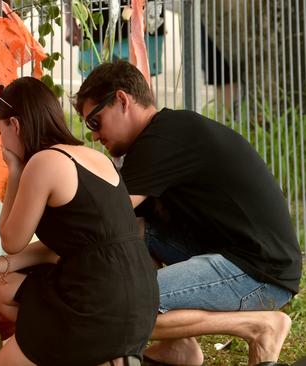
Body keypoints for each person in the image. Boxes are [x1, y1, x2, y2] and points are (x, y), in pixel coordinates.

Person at [74, 60, 302, 366]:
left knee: (122, 305)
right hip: (240, 254)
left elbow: (99, 220)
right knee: (140, 231)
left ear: (122, 100)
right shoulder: (167, 132)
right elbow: (123, 228)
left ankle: (262, 326)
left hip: (260, 273)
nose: (94, 136)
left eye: (94, 122)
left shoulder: (160, 141)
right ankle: (177, 348)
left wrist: (17, 261)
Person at [0, 77, 159, 366]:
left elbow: (11, 240)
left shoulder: (44, 163)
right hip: (140, 296)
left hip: (94, 302)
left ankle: (74, 348)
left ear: (16, 126)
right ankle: (93, 356)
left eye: (0, 132)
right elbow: (75, 244)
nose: (1, 142)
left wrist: (15, 170)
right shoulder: (96, 158)